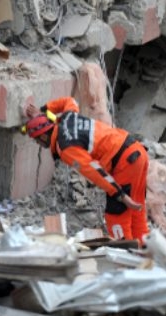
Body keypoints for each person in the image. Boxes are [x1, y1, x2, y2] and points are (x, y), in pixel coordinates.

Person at [23, 97, 150, 244]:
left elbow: (93, 171)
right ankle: (145, 251)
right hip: (136, 151)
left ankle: (127, 255)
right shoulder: (67, 118)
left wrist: (119, 194)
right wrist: (44, 110)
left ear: (44, 136)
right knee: (137, 211)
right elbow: (69, 101)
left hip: (124, 163)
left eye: (37, 140)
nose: (38, 144)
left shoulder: (66, 149)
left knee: (117, 215)